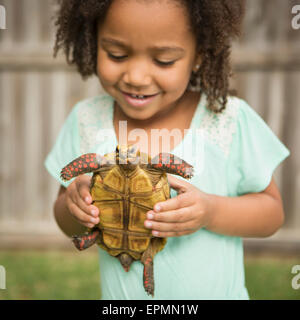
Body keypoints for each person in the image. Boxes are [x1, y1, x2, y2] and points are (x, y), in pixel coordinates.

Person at [45, 0, 290, 299]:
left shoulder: (228, 120)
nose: (136, 76)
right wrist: (75, 204)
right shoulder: (86, 120)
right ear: (93, 40)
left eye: (163, 61)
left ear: (198, 55)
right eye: (116, 54)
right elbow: (64, 219)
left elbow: (272, 214)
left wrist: (211, 212)